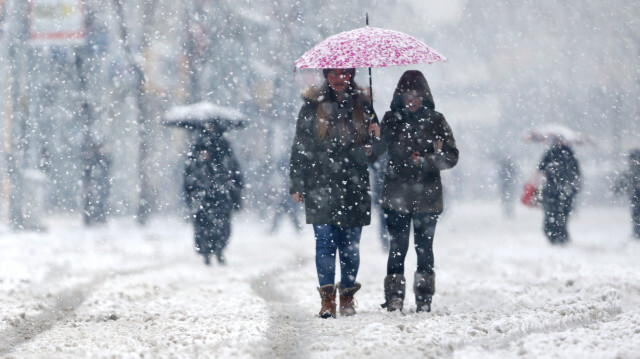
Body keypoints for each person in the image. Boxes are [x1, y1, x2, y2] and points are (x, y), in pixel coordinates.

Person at [289, 68, 378, 318]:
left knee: (350, 245)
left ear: (352, 75)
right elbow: (300, 146)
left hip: (354, 186)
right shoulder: (311, 107)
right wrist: (297, 182)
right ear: (326, 76)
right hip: (320, 183)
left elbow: (376, 153)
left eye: (345, 74)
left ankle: (347, 296)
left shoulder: (364, 107)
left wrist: (375, 138)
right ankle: (327, 300)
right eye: (334, 74)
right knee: (325, 242)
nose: (340, 79)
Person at [372, 70, 459, 313]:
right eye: (408, 95)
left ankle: (424, 297)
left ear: (425, 96)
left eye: (417, 95)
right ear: (400, 96)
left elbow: (451, 156)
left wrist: (426, 161)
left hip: (427, 198)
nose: (412, 100)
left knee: (424, 249)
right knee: (397, 249)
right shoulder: (390, 120)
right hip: (396, 195)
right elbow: (373, 153)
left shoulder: (436, 121)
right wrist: (372, 133)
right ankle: (394, 297)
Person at [184, 124, 244, 265]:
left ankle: (218, 250)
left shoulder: (224, 149)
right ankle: (206, 252)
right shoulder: (197, 147)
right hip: (203, 196)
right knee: (203, 226)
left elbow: (234, 172)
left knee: (221, 226)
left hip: (221, 196)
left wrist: (234, 192)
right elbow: (189, 175)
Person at [537, 137, 581, 245]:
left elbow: (576, 174)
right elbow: (540, 168)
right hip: (552, 191)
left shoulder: (570, 155)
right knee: (551, 214)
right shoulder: (550, 154)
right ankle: (553, 235)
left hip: (565, 191)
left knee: (562, 215)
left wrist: (572, 188)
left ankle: (561, 235)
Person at [82, 140, 112, 226]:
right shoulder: (92, 158)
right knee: (90, 201)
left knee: (101, 201)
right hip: (94, 183)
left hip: (101, 183)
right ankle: (90, 219)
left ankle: (100, 218)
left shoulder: (102, 158)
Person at [612, 149, 640, 239]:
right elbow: (624, 180)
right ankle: (636, 232)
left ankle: (637, 232)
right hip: (635, 195)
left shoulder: (631, 169)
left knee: (636, 214)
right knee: (636, 214)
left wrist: (616, 188)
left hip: (635, 195)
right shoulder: (631, 169)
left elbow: (624, 179)